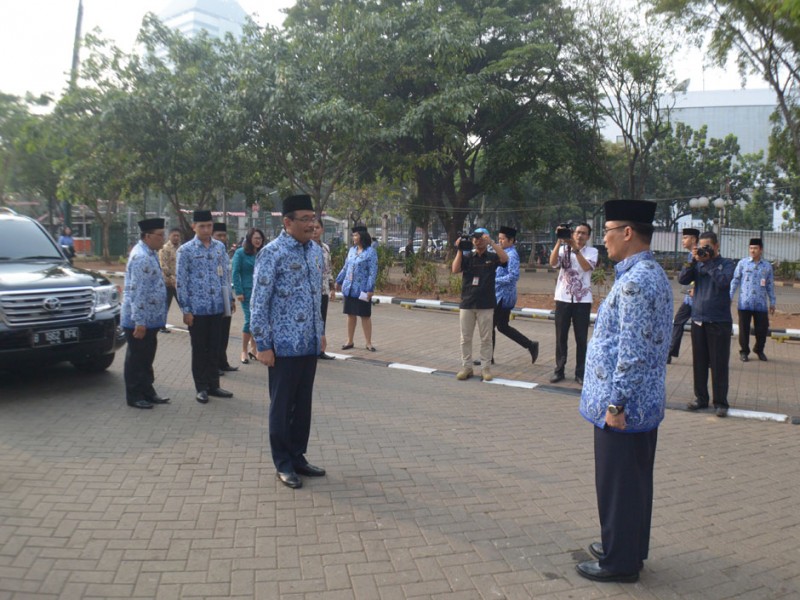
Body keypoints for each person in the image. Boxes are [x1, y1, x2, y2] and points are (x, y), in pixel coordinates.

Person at [576, 199, 672, 584]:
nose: (604, 239)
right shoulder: (652, 273)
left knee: (617, 485)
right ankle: (629, 548)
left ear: (628, 233)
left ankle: (619, 563)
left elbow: (631, 351)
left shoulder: (634, 281)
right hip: (644, 403)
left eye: (608, 231)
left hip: (624, 407)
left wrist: (616, 403)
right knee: (635, 482)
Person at [250, 194, 327, 489]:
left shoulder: (315, 252)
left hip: (308, 343)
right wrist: (263, 344)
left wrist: (320, 333)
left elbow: (316, 299)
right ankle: (283, 463)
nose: (311, 224)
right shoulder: (272, 253)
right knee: (282, 407)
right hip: (282, 346)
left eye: (313, 218)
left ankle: (297, 456)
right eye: (305, 219)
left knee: (303, 405)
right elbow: (259, 302)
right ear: (287, 222)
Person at [176, 210, 235, 404]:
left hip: (217, 307)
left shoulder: (219, 248)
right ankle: (201, 387)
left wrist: (229, 299)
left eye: (209, 226)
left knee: (215, 348)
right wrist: (186, 309)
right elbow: (181, 282)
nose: (206, 229)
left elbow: (225, 275)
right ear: (194, 227)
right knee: (200, 349)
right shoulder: (186, 250)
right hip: (197, 310)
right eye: (202, 226)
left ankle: (214, 385)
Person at [679, 231, 735, 417]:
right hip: (698, 319)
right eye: (701, 247)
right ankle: (701, 398)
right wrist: (692, 260)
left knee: (719, 364)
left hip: (719, 321)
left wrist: (708, 262)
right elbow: (682, 279)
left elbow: (723, 282)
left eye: (707, 247)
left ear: (716, 246)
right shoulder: (697, 263)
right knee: (699, 363)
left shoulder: (727, 264)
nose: (704, 250)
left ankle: (721, 402)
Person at [121, 218, 171, 409]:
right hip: (139, 320)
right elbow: (138, 292)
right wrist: (140, 322)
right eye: (160, 235)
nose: (163, 238)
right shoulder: (141, 257)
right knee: (137, 359)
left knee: (146, 358)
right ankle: (134, 395)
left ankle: (148, 392)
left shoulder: (150, 253)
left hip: (150, 319)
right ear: (147, 236)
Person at [452, 228, 508, 382]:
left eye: (481, 238)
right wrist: (459, 249)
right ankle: (467, 367)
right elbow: (455, 269)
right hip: (467, 302)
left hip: (486, 304)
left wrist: (492, 243)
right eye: (475, 238)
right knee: (465, 338)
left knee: (486, 338)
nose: (478, 241)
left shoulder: (492, 257)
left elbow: (504, 259)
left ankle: (485, 368)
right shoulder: (468, 257)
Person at [549, 222, 598, 385]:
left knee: (581, 338)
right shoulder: (563, 249)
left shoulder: (592, 252)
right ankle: (559, 370)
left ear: (588, 236)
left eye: (583, 233)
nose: (580, 235)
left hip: (582, 301)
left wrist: (575, 249)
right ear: (572, 233)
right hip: (563, 298)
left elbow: (586, 267)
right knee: (560, 337)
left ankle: (580, 373)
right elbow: (553, 263)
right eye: (577, 232)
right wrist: (559, 240)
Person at [493, 226, 539, 364]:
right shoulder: (501, 252)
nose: (500, 241)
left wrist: (494, 280)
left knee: (489, 326)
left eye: (502, 239)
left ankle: (487, 357)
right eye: (499, 239)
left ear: (511, 240)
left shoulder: (512, 255)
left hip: (504, 297)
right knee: (502, 326)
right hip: (497, 294)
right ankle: (530, 345)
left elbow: (513, 276)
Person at [730, 238, 776, 362]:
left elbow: (770, 285)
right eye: (751, 248)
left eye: (755, 248)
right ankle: (744, 351)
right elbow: (735, 280)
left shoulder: (767, 266)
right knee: (744, 329)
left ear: (761, 250)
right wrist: (729, 296)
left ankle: (759, 350)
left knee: (762, 329)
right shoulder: (743, 263)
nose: (752, 250)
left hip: (761, 304)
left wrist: (772, 302)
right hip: (745, 303)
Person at [336, 225, 379, 351]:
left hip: (362, 290)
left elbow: (372, 272)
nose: (353, 238)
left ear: (362, 236)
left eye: (355, 235)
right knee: (350, 314)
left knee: (365, 315)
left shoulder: (371, 252)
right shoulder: (352, 250)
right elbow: (346, 267)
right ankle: (349, 341)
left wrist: (370, 288)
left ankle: (368, 343)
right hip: (349, 288)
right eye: (353, 235)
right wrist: (339, 280)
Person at [232, 228, 265, 364]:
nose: (258, 241)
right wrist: (238, 291)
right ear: (250, 239)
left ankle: (254, 348)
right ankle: (244, 350)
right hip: (246, 292)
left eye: (260, 238)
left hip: (262, 292)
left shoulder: (263, 253)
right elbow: (235, 272)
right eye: (255, 238)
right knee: (249, 320)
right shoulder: (240, 253)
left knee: (258, 320)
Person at [667, 228, 700, 362]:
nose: (682, 241)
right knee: (678, 322)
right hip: (689, 300)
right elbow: (688, 276)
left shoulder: (700, 254)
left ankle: (707, 358)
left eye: (685, 238)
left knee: (700, 329)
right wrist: (689, 289)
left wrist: (695, 288)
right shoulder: (690, 255)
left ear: (693, 239)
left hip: (700, 300)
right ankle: (670, 353)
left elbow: (701, 274)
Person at [212, 222, 238, 375]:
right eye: (219, 235)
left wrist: (231, 299)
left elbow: (227, 279)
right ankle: (214, 365)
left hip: (226, 299)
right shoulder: (210, 254)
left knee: (224, 333)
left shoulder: (225, 254)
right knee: (215, 335)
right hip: (214, 301)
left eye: (224, 235)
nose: (222, 238)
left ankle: (223, 362)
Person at [312, 218, 335, 360]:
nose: (314, 230)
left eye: (317, 227)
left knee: (322, 319)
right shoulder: (306, 247)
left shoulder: (325, 248)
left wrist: (332, 287)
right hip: (310, 292)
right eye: (313, 227)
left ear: (322, 230)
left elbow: (328, 269)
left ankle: (320, 350)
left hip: (323, 290)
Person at [159, 227, 182, 333]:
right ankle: (161, 326)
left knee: (183, 303)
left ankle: (192, 323)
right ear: (169, 236)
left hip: (179, 283)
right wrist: (172, 279)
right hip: (167, 282)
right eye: (174, 235)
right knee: (165, 305)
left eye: (178, 236)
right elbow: (163, 265)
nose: (176, 237)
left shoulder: (181, 249)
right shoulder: (164, 249)